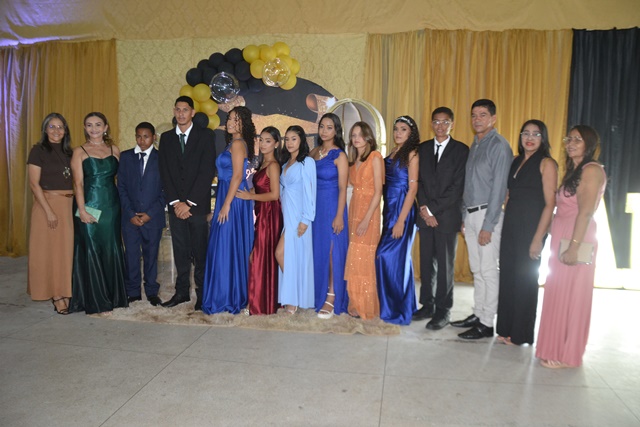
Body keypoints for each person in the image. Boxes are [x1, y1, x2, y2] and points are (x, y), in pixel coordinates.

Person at [536, 125, 606, 368]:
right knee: (558, 293)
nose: (571, 143)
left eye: (578, 139)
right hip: (562, 235)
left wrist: (574, 247)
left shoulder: (592, 170)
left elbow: (585, 212)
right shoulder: (574, 170)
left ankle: (567, 354)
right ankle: (553, 346)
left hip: (577, 236)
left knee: (573, 296)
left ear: (589, 144)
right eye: (569, 139)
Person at [451, 99, 512, 339]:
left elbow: (499, 189)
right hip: (471, 214)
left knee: (487, 270)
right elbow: (470, 184)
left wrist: (489, 225)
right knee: (476, 269)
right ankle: (478, 313)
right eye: (474, 115)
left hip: (488, 215)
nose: (477, 119)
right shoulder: (475, 145)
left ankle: (487, 323)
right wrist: (464, 215)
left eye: (483, 115)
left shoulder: (499, 146)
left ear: (493, 118)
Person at [496, 120, 557, 345]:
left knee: (525, 281)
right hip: (511, 225)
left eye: (536, 134)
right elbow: (508, 195)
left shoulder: (547, 163)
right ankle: (505, 329)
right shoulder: (516, 160)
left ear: (543, 138)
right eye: (526, 133)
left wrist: (538, 239)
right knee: (508, 277)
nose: (530, 138)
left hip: (531, 228)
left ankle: (520, 334)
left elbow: (550, 204)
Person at [158, 96, 216, 310]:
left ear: (192, 112)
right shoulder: (166, 138)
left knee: (200, 253)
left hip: (197, 207)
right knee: (180, 252)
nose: (181, 113)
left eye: (185, 110)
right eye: (178, 109)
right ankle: (181, 293)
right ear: (174, 111)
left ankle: (202, 295)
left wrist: (188, 203)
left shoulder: (205, 136)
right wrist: (176, 203)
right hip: (175, 208)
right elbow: (164, 172)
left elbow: (207, 171)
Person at [414, 107, 469, 330]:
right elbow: (417, 182)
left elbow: (457, 187)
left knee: (445, 267)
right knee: (426, 263)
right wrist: (425, 211)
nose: (440, 126)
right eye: (436, 122)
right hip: (425, 216)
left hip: (447, 217)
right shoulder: (423, 148)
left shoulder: (461, 150)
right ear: (431, 123)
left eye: (445, 122)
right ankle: (427, 305)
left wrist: (432, 210)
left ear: (452, 124)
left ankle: (443, 310)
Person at [69, 112, 128, 314]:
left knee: (112, 248)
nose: (93, 129)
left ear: (105, 127)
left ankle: (114, 296)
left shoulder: (114, 149)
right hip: (88, 206)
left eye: (97, 124)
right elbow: (77, 184)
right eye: (89, 125)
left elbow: (121, 180)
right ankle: (95, 299)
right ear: (85, 128)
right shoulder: (79, 151)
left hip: (111, 207)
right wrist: (82, 210)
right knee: (91, 248)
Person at [202, 106, 255, 314]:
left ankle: (228, 297)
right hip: (228, 195)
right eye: (230, 118)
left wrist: (225, 205)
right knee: (224, 245)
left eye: (236, 119)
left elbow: (238, 176)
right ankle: (226, 294)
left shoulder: (239, 144)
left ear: (244, 123)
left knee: (225, 246)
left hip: (232, 200)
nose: (231, 122)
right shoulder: (233, 143)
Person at [27, 113, 74, 314]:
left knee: (64, 253)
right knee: (47, 253)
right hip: (47, 205)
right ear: (45, 129)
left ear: (65, 130)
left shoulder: (70, 152)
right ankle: (56, 295)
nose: (56, 131)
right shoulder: (38, 151)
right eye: (52, 127)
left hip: (67, 206)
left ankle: (65, 289)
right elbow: (34, 184)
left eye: (60, 127)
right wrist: (49, 211)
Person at [375, 115, 420, 325]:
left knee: (386, 256)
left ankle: (398, 311)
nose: (398, 133)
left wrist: (401, 220)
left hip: (403, 210)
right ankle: (401, 305)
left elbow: (413, 189)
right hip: (389, 209)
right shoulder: (394, 151)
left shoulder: (412, 154)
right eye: (396, 129)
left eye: (403, 129)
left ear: (411, 133)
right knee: (398, 260)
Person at [117, 122, 165, 307]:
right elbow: (121, 187)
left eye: (146, 136)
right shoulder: (126, 157)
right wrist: (130, 213)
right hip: (130, 217)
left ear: (153, 137)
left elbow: (166, 190)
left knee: (151, 255)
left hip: (152, 217)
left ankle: (152, 291)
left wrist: (149, 214)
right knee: (131, 255)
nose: (142, 140)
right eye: (138, 136)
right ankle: (133, 291)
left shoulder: (162, 158)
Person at [237, 126, 283, 315]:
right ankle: (261, 301)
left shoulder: (273, 166)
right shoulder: (263, 163)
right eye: (261, 140)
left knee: (259, 256)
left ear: (276, 144)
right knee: (259, 256)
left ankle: (257, 304)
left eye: (268, 141)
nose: (263, 144)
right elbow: (259, 189)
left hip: (270, 214)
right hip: (262, 213)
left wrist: (250, 196)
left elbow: (274, 195)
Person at [310, 113, 349, 319]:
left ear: (336, 131)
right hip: (316, 208)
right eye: (322, 127)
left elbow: (343, 188)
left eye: (329, 127)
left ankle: (332, 295)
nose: (324, 131)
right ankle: (320, 291)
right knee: (320, 250)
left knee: (334, 251)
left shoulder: (339, 155)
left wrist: (339, 215)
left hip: (333, 205)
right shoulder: (314, 152)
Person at [344, 122, 383, 320]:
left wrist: (366, 220)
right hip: (354, 209)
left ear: (368, 137)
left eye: (360, 134)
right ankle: (355, 303)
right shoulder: (353, 161)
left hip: (369, 213)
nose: (356, 138)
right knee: (355, 256)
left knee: (365, 258)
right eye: (353, 135)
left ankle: (365, 305)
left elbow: (378, 192)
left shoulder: (375, 157)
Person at [275, 125, 316, 314]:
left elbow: (310, 192)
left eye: (294, 138)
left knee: (280, 253)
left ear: (301, 140)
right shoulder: (285, 163)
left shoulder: (307, 162)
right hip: (287, 215)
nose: (290, 142)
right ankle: (294, 296)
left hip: (299, 216)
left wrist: (306, 219)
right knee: (289, 257)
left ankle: (293, 298)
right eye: (287, 139)